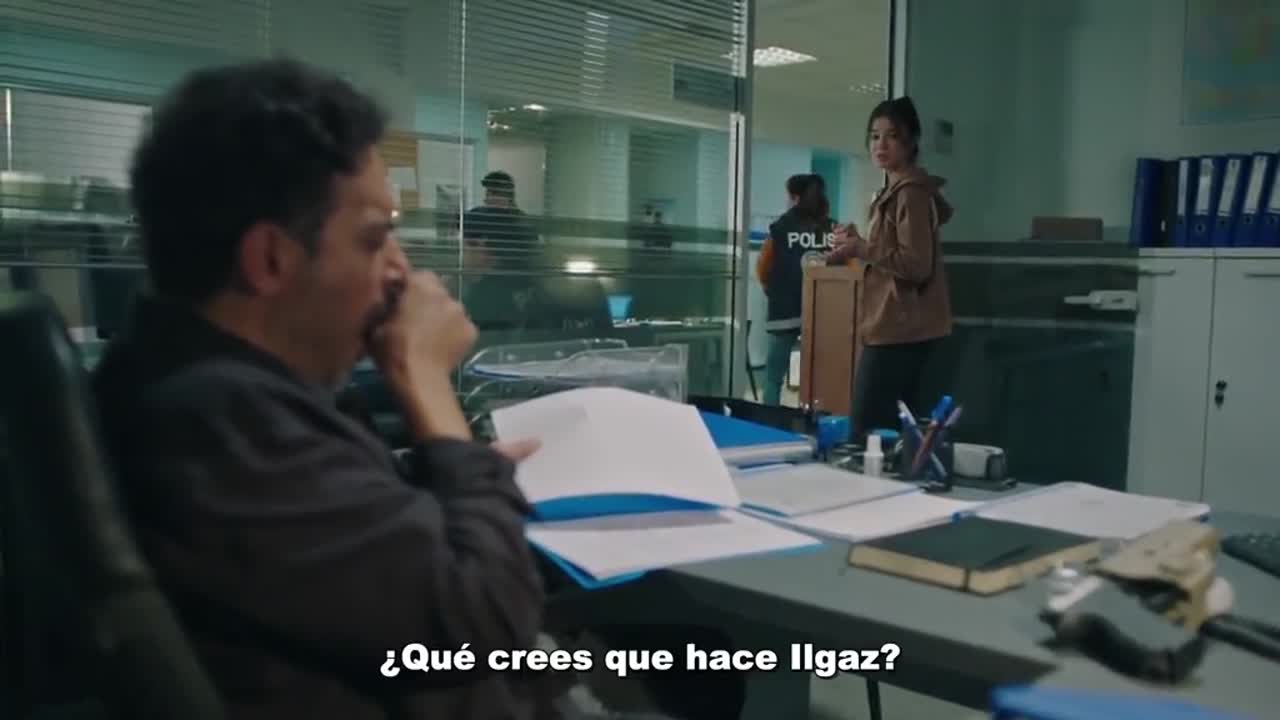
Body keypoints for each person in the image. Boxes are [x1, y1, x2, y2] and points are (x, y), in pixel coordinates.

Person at [92, 59, 555, 719]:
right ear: (270, 259)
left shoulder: (197, 390)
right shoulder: (221, 422)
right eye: (375, 239)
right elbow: (485, 628)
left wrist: (459, 476)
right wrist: (426, 379)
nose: (400, 270)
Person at [826, 96, 953, 438]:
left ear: (911, 142)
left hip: (899, 328)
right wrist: (856, 244)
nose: (880, 145)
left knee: (865, 431)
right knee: (896, 435)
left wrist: (862, 247)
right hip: (901, 326)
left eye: (892, 136)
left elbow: (916, 265)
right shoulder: (897, 191)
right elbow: (891, 255)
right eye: (874, 136)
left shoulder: (910, 194)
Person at [755, 173, 834, 406]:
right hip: (823, 311)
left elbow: (763, 267)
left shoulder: (781, 228)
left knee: (773, 377)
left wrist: (772, 289)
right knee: (820, 376)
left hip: (784, 309)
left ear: (795, 197)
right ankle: (813, 417)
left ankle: (769, 420)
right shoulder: (831, 228)